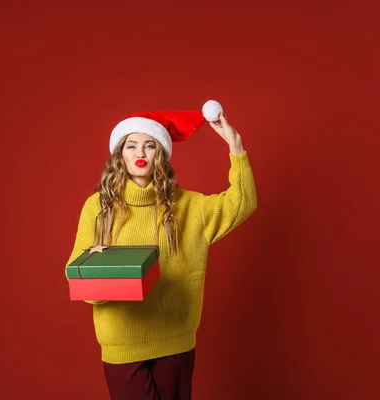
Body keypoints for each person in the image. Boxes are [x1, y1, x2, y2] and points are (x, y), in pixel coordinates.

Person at [65, 100, 258, 400]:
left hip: (175, 341)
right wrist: (103, 268)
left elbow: (243, 202)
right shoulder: (98, 208)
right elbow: (80, 282)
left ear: (161, 155)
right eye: (131, 146)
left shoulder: (191, 207)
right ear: (120, 155)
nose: (140, 153)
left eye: (149, 145)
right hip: (122, 341)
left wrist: (236, 146)